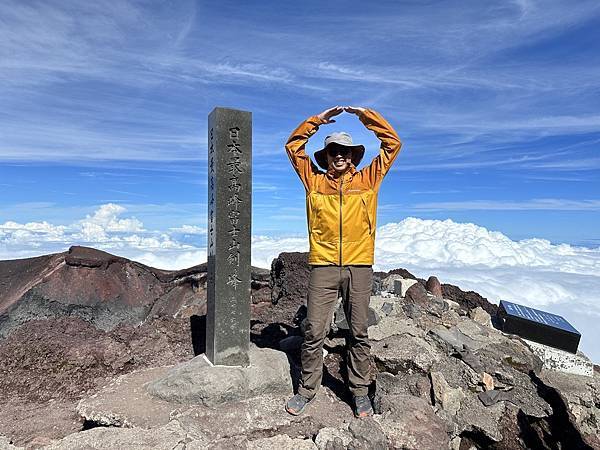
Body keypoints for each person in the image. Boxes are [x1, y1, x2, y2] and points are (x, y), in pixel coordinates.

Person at [284, 105, 402, 417]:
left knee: (359, 331)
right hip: (323, 265)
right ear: (326, 155)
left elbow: (392, 143)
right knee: (313, 331)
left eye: (345, 151)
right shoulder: (314, 181)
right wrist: (316, 122)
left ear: (353, 156)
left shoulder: (369, 179)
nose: (340, 155)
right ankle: (307, 389)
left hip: (359, 265)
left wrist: (367, 116)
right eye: (334, 150)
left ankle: (359, 391)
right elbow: (293, 147)